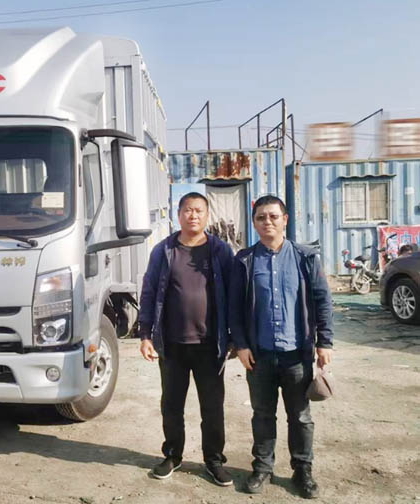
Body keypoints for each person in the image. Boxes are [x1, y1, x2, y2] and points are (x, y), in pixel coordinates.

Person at [229, 195, 334, 499]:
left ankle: (303, 471)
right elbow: (235, 308)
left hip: (296, 356)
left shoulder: (305, 258)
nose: (268, 222)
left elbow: (323, 301)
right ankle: (263, 468)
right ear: (254, 223)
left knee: (300, 416)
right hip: (259, 356)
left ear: (285, 220)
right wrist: (241, 345)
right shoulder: (245, 261)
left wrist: (325, 342)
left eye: (273, 216)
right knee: (262, 415)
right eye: (261, 217)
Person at [138, 192, 234, 486]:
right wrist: (145, 334)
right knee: (171, 405)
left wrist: (234, 337)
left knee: (212, 407)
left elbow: (233, 294)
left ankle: (214, 460)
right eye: (188, 210)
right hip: (172, 345)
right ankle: (172, 455)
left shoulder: (219, 250)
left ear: (207, 216)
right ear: (178, 215)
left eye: (199, 211)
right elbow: (149, 292)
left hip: (210, 345)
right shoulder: (164, 250)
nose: (193, 215)